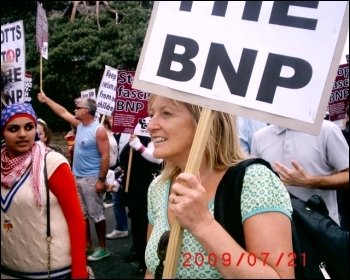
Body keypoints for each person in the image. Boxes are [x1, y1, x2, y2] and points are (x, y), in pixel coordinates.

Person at [144, 95, 294, 279]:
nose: (150, 125)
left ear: (205, 121)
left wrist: (202, 224)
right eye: (151, 114)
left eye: (166, 113)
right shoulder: (158, 187)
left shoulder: (254, 180)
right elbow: (152, 269)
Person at [1, 102, 88, 278]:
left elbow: (76, 220)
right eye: (13, 129)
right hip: (7, 271)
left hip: (52, 271)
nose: (23, 134)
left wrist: (79, 272)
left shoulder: (52, 163)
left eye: (29, 127)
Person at [37, 91, 111, 262]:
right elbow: (62, 112)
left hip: (91, 179)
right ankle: (87, 245)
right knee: (82, 215)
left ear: (86, 111)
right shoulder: (80, 125)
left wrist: (101, 180)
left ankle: (103, 247)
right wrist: (47, 99)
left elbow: (106, 156)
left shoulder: (98, 130)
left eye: (78, 108)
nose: (75, 110)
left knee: (96, 214)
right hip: (76, 176)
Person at [251, 120, 349, 225]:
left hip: (322, 230)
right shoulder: (259, 137)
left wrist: (310, 181)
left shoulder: (327, 130)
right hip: (278, 228)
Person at [119, 132, 163, 273]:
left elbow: (157, 158)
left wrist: (139, 146)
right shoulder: (130, 136)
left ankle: (147, 260)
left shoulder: (150, 137)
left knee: (145, 224)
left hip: (145, 188)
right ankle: (138, 252)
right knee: (136, 223)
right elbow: (125, 163)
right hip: (132, 188)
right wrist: (117, 179)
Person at [104, 116, 129, 239]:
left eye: (114, 117)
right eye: (110, 118)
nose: (112, 120)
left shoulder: (127, 133)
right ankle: (121, 227)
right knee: (117, 201)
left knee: (130, 201)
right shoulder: (109, 134)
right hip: (117, 171)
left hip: (127, 170)